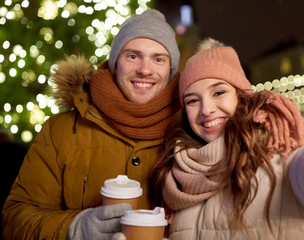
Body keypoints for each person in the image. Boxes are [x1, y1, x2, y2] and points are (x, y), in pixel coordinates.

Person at [149, 1, 304, 238]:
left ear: (241, 98)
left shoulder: (280, 152)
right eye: (192, 101)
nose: (206, 109)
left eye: (219, 92)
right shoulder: (176, 177)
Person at [1, 9, 180, 240]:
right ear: (116, 64)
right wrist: (73, 227)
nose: (145, 70)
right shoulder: (61, 131)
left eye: (158, 59)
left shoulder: (189, 132)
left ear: (170, 70)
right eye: (132, 56)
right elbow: (14, 219)